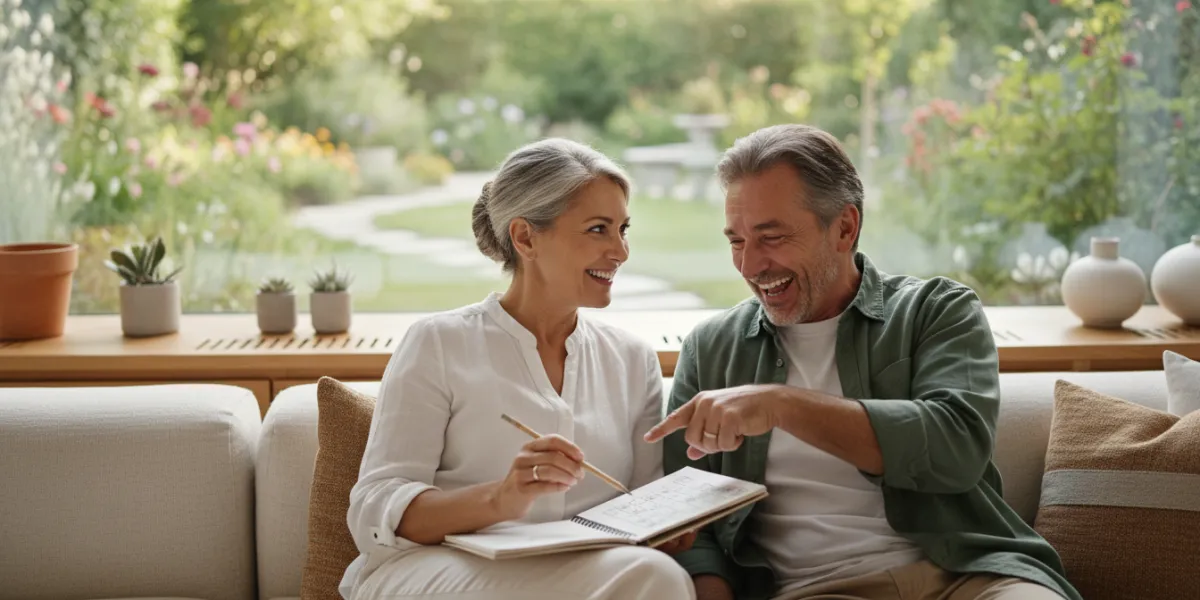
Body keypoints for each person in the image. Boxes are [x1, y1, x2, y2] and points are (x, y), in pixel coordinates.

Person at [643, 124, 1082, 600]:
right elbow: (688, 518)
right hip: (818, 590)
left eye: (771, 237)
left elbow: (956, 447)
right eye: (736, 241)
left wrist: (781, 405)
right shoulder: (712, 349)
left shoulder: (936, 311)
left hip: (970, 577)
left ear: (845, 228)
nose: (750, 266)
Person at [340, 138, 696, 600]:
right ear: (525, 237)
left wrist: (667, 528)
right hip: (441, 566)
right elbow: (374, 506)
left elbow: (644, 503)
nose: (620, 251)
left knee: (659, 574)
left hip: (585, 570)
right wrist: (501, 499)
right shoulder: (439, 343)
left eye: (623, 229)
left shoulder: (631, 359)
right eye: (597, 230)